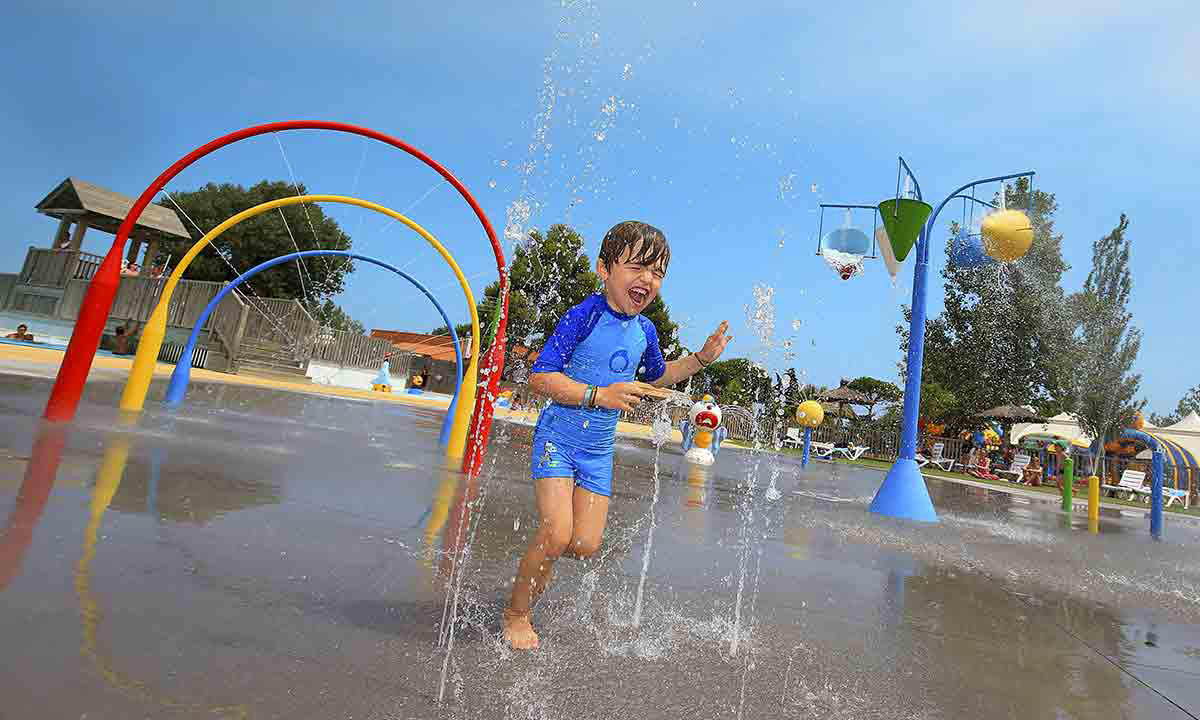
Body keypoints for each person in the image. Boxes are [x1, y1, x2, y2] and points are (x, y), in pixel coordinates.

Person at [502, 221, 732, 650]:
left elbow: (656, 377)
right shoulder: (583, 316)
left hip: (597, 451)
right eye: (637, 267)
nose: (648, 279)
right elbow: (540, 377)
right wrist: (598, 394)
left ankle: (540, 560)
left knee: (584, 545)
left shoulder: (645, 331)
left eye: (658, 272)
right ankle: (516, 613)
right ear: (604, 269)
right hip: (558, 440)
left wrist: (701, 358)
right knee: (557, 533)